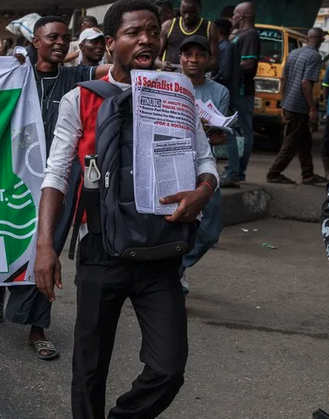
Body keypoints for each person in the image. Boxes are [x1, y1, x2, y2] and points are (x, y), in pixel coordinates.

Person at [34, 1, 218, 418]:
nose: (146, 39)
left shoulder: (178, 93)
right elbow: (56, 175)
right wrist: (45, 244)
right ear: (111, 41)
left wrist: (203, 191)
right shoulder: (79, 100)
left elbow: (205, 161)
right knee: (89, 369)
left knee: (168, 369)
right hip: (101, 249)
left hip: (162, 247)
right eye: (134, 32)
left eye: (153, 31)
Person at [0, 15, 108, 361]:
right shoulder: (17, 73)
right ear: (35, 41)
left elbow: (112, 72)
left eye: (65, 38)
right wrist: (12, 58)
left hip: (60, 178)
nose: (59, 43)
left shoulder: (75, 76)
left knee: (47, 244)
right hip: (16, 174)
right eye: (52, 37)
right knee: (15, 239)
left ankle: (37, 326)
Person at [179, 35, 229, 294]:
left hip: (204, 165)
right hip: (174, 160)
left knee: (210, 229)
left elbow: (220, 135)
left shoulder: (220, 92)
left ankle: (180, 266)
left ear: (208, 60)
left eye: (200, 55)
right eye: (188, 54)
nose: (193, 59)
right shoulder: (171, 84)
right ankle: (173, 275)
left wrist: (210, 130)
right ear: (180, 59)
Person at [266, 28, 328, 185]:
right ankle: (274, 173)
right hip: (299, 107)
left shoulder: (294, 53)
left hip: (289, 104)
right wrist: (313, 108)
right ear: (320, 39)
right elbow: (306, 83)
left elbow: (284, 78)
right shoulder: (314, 56)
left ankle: (308, 174)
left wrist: (283, 101)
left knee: (305, 142)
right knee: (291, 143)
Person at [224, 1, 259, 188]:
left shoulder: (250, 35)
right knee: (234, 131)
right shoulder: (240, 35)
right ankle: (233, 168)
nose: (233, 18)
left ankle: (237, 172)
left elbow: (249, 64)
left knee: (242, 132)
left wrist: (227, 67)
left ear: (243, 16)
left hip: (243, 92)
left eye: (235, 14)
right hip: (236, 91)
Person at [158, 0, 219, 71]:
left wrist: (196, 69)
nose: (187, 16)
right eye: (184, 12)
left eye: (192, 12)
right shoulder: (168, 26)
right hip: (170, 77)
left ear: (199, 9)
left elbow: (215, 61)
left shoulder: (209, 28)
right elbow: (156, 57)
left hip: (196, 78)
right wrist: (161, 64)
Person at [211, 18, 240, 113]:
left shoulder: (225, 48)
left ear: (218, 30)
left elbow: (224, 75)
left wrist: (208, 82)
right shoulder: (224, 46)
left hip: (223, 97)